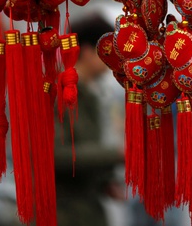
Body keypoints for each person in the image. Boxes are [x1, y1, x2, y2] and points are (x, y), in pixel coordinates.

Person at [54, 12, 125, 226]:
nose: (115, 60)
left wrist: (105, 182)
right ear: (86, 51)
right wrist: (118, 154)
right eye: (108, 52)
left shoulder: (90, 93)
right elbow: (56, 155)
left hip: (87, 209)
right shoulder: (56, 93)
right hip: (61, 214)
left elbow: (86, 146)